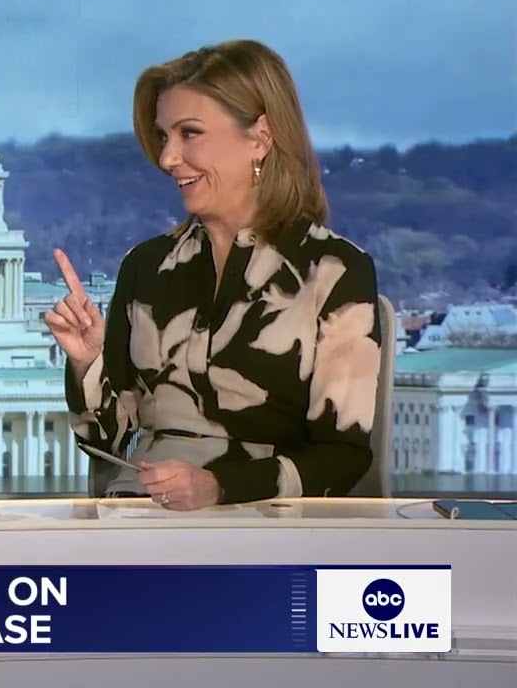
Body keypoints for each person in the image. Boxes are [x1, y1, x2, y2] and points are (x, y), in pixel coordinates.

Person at [46, 39, 381, 510]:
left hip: (265, 521)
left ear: (260, 138)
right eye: (164, 137)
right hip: (139, 515)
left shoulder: (335, 272)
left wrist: (218, 486)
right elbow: (105, 440)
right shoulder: (145, 266)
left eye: (190, 133)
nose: (168, 158)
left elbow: (342, 458)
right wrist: (87, 362)